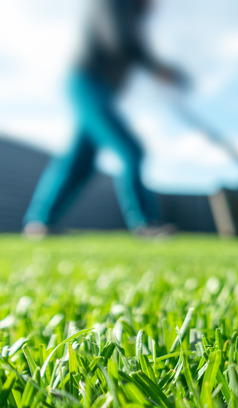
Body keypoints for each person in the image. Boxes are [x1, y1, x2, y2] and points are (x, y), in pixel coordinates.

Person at [23, 0, 188, 239]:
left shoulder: (131, 15)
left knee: (80, 162)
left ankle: (39, 224)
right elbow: (118, 38)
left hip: (99, 89)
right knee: (130, 151)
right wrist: (156, 68)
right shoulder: (114, 4)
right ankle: (146, 223)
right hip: (87, 83)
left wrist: (160, 71)